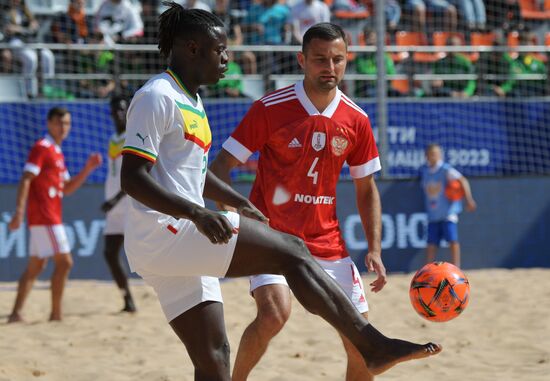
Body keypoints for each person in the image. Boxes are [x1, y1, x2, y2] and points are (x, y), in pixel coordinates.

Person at [120, 3, 441, 380]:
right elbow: (133, 178)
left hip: (178, 243)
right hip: (167, 232)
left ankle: (369, 349)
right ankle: (372, 346)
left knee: (214, 356)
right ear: (193, 49)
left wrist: (238, 202)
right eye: (220, 50)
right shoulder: (157, 95)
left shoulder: (190, 99)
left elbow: (193, 173)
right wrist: (199, 213)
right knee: (292, 252)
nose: (227, 58)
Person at [211, 22, 389, 381]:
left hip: (326, 242)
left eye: (338, 59)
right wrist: (232, 220)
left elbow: (366, 187)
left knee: (362, 340)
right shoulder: (270, 108)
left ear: (347, 60)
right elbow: (219, 168)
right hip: (271, 237)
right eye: (320, 59)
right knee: (275, 314)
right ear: (302, 60)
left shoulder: (357, 119)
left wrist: (374, 248)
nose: (330, 67)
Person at [7, 107, 102, 323]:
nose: (63, 128)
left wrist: (87, 169)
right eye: (59, 123)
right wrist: (19, 212)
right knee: (65, 263)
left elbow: (66, 189)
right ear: (49, 123)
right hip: (44, 215)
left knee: (36, 266)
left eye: (67, 123)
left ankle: (15, 313)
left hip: (48, 215)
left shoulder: (57, 152)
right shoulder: (42, 147)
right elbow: (25, 178)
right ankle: (56, 314)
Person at [101, 95, 136, 313]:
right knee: (110, 254)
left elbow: (135, 174)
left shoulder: (134, 136)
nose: (119, 113)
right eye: (115, 110)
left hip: (130, 204)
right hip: (114, 207)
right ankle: (127, 298)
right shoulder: (114, 138)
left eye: (123, 109)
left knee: (146, 253)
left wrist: (115, 199)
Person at [420, 144, 476, 268]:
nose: (435, 156)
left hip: (448, 213)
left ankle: (457, 267)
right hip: (433, 214)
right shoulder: (425, 171)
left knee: (453, 241)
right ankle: (428, 269)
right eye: (432, 154)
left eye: (437, 153)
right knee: (431, 243)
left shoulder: (446, 169)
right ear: (427, 156)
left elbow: (463, 180)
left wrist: (468, 199)